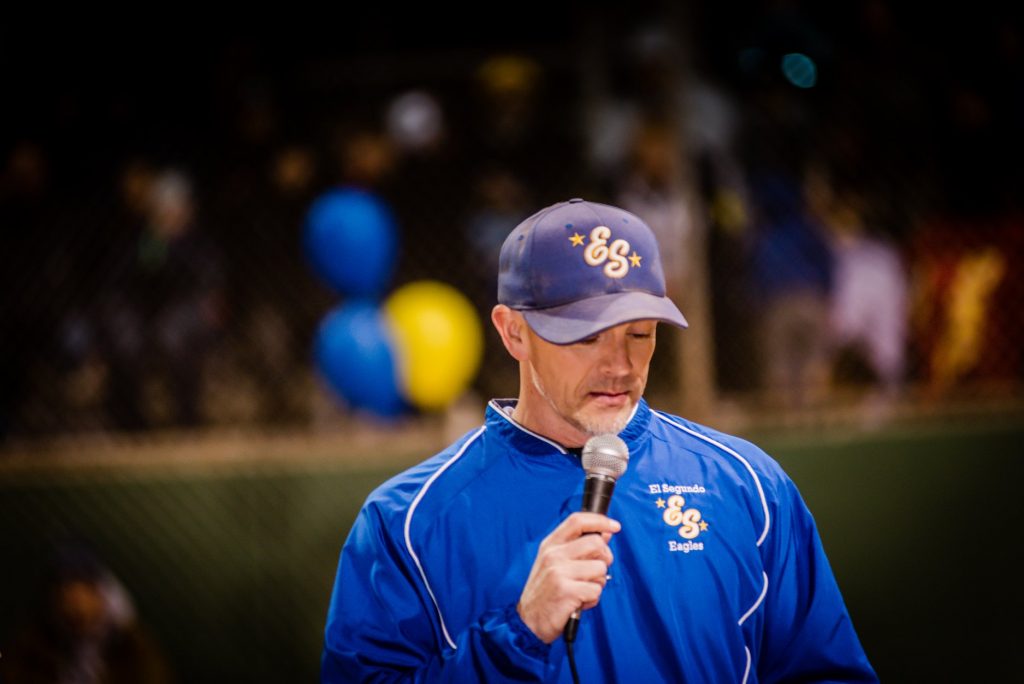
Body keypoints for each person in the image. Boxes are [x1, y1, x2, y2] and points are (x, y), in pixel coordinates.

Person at [321, 199, 876, 682]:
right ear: (513, 331)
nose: (620, 365)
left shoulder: (749, 486)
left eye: (640, 334)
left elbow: (825, 671)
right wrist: (518, 632)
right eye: (585, 337)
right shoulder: (406, 521)